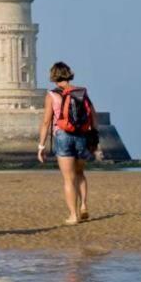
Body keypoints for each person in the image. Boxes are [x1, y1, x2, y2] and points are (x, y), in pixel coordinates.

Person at [38, 62, 98, 225]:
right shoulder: (81, 92)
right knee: (80, 174)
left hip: (63, 135)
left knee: (68, 179)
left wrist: (41, 146)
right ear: (68, 74)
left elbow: (46, 122)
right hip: (82, 135)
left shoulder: (52, 95)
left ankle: (73, 215)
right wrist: (94, 137)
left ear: (53, 76)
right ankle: (84, 205)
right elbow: (93, 115)